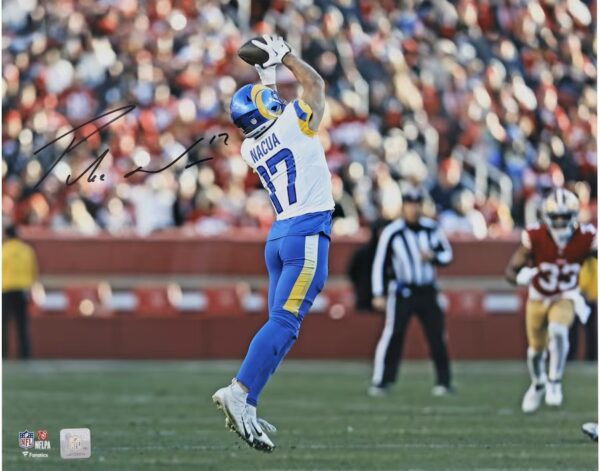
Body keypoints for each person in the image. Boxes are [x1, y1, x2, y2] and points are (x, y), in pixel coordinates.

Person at [212, 35, 334, 452]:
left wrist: (267, 74)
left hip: (280, 235)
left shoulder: (249, 147)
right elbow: (315, 86)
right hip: (306, 233)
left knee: (279, 325)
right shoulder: (292, 123)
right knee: (285, 324)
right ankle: (240, 391)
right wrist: (284, 57)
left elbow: (271, 109)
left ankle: (248, 399)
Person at [505, 188, 596, 413]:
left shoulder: (586, 237)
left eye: (564, 217)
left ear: (573, 216)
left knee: (558, 330)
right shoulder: (535, 236)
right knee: (535, 351)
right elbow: (510, 270)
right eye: (554, 217)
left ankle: (554, 382)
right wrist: (519, 278)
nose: (559, 222)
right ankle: (538, 383)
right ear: (546, 216)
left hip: (565, 296)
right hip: (538, 298)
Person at [369, 188, 453, 397]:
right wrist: (378, 293)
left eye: (416, 204)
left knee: (437, 337)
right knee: (393, 334)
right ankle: (382, 381)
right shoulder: (392, 232)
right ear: (403, 207)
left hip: (427, 290)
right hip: (402, 291)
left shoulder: (431, 228)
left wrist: (432, 256)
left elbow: (447, 254)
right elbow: (380, 264)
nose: (413, 209)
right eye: (409, 204)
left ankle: (443, 382)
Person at [2, 225, 38, 359]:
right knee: (22, 324)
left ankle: (3, 353)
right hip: (22, 290)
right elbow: (33, 272)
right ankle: (24, 354)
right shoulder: (27, 250)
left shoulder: (3, 250)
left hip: (6, 290)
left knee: (3, 324)